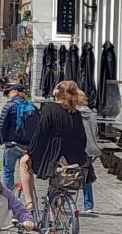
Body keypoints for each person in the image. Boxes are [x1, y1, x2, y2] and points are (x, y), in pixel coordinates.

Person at [17, 80, 88, 211]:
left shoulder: (50, 108)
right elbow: (83, 139)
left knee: (24, 163)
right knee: (60, 185)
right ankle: (57, 217)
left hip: (53, 156)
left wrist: (30, 152)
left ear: (57, 93)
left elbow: (41, 134)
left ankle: (29, 203)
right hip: (73, 158)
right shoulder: (76, 114)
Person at [0, 83, 37, 190]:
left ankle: (8, 197)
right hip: (28, 147)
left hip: (12, 145)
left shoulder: (9, 106)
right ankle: (30, 199)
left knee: (8, 171)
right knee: (26, 170)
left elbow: (1, 126)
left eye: (10, 91)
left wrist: (3, 141)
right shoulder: (32, 107)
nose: (9, 93)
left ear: (16, 92)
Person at [76, 88, 101, 214]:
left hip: (79, 148)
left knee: (70, 174)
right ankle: (88, 204)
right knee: (86, 176)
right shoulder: (90, 114)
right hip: (90, 148)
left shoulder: (75, 114)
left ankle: (68, 201)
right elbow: (96, 131)